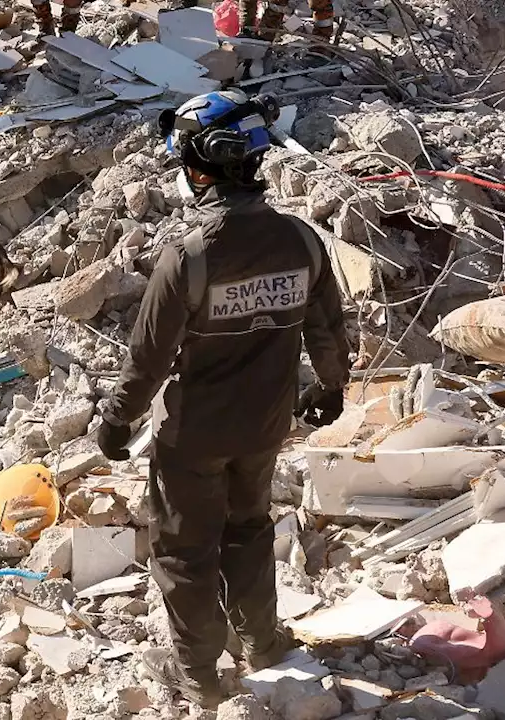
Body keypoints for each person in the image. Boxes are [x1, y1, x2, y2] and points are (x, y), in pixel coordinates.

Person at [93, 89, 351, 709]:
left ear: (199, 168)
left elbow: (148, 358)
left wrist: (116, 420)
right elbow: (328, 326)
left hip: (194, 437)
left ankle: (202, 677)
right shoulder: (304, 242)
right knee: (250, 529)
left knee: (184, 552)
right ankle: (263, 644)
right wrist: (331, 385)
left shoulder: (188, 257)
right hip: (265, 426)